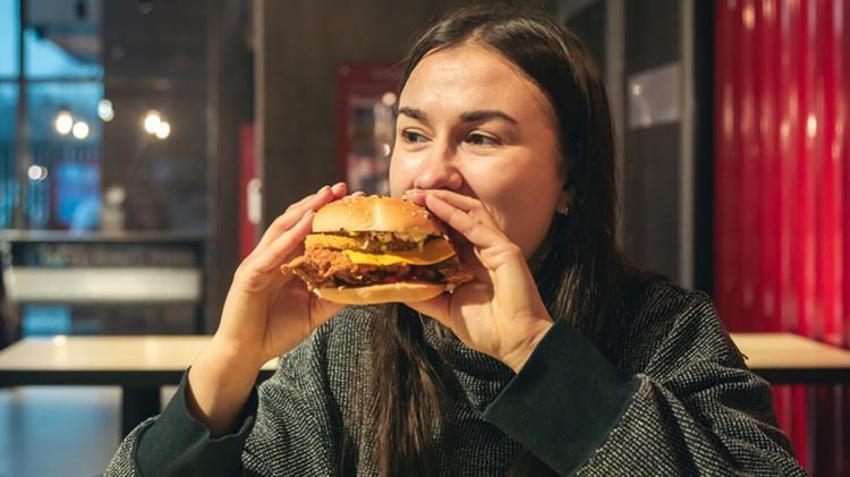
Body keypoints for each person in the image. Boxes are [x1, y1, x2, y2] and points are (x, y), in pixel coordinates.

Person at [106, 5, 805, 476]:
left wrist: (537, 354)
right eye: (413, 134)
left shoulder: (665, 328)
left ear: (570, 178)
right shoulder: (352, 341)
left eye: (480, 138)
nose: (430, 172)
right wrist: (230, 363)